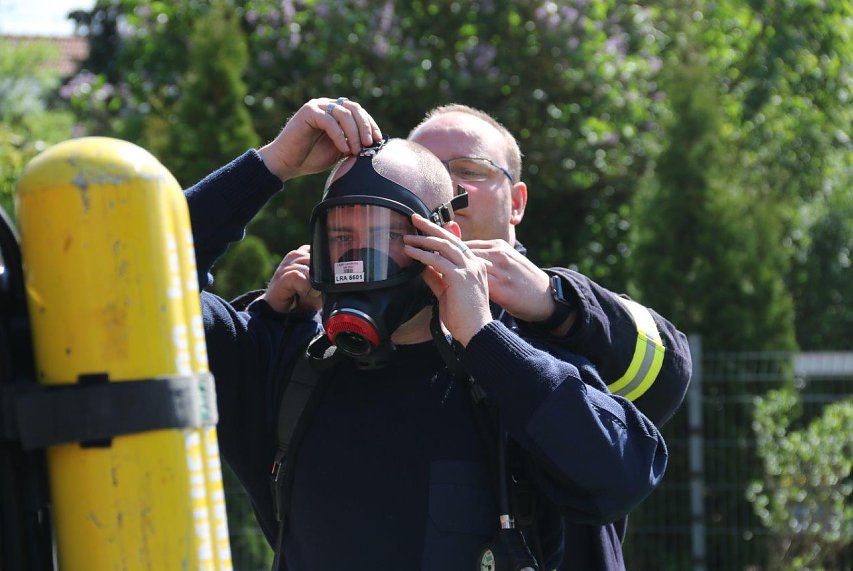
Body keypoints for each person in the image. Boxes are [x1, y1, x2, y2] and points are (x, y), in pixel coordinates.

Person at [185, 97, 668, 570]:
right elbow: (129, 280)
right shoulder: (283, 357)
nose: (358, 259)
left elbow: (623, 476)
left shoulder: (511, 363)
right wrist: (270, 165)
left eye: (385, 235)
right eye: (341, 237)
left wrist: (481, 337)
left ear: (443, 242)